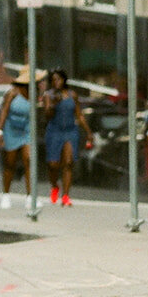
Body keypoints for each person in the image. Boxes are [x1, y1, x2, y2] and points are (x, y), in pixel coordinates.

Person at [40, 70, 90, 206]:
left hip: (70, 130)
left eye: (59, 79)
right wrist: (54, 104)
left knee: (68, 162)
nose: (56, 82)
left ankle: (66, 195)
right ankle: (54, 185)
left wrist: (88, 132)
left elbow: (79, 114)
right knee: (53, 164)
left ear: (64, 80)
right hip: (54, 131)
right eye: (54, 80)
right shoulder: (48, 95)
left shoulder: (72, 95)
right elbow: (47, 115)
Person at [0, 71, 34, 209]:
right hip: (11, 130)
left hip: (26, 130)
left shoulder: (33, 94)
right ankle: (6, 194)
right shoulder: (12, 93)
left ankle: (30, 196)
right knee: (10, 163)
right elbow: (4, 111)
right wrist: (0, 130)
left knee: (28, 160)